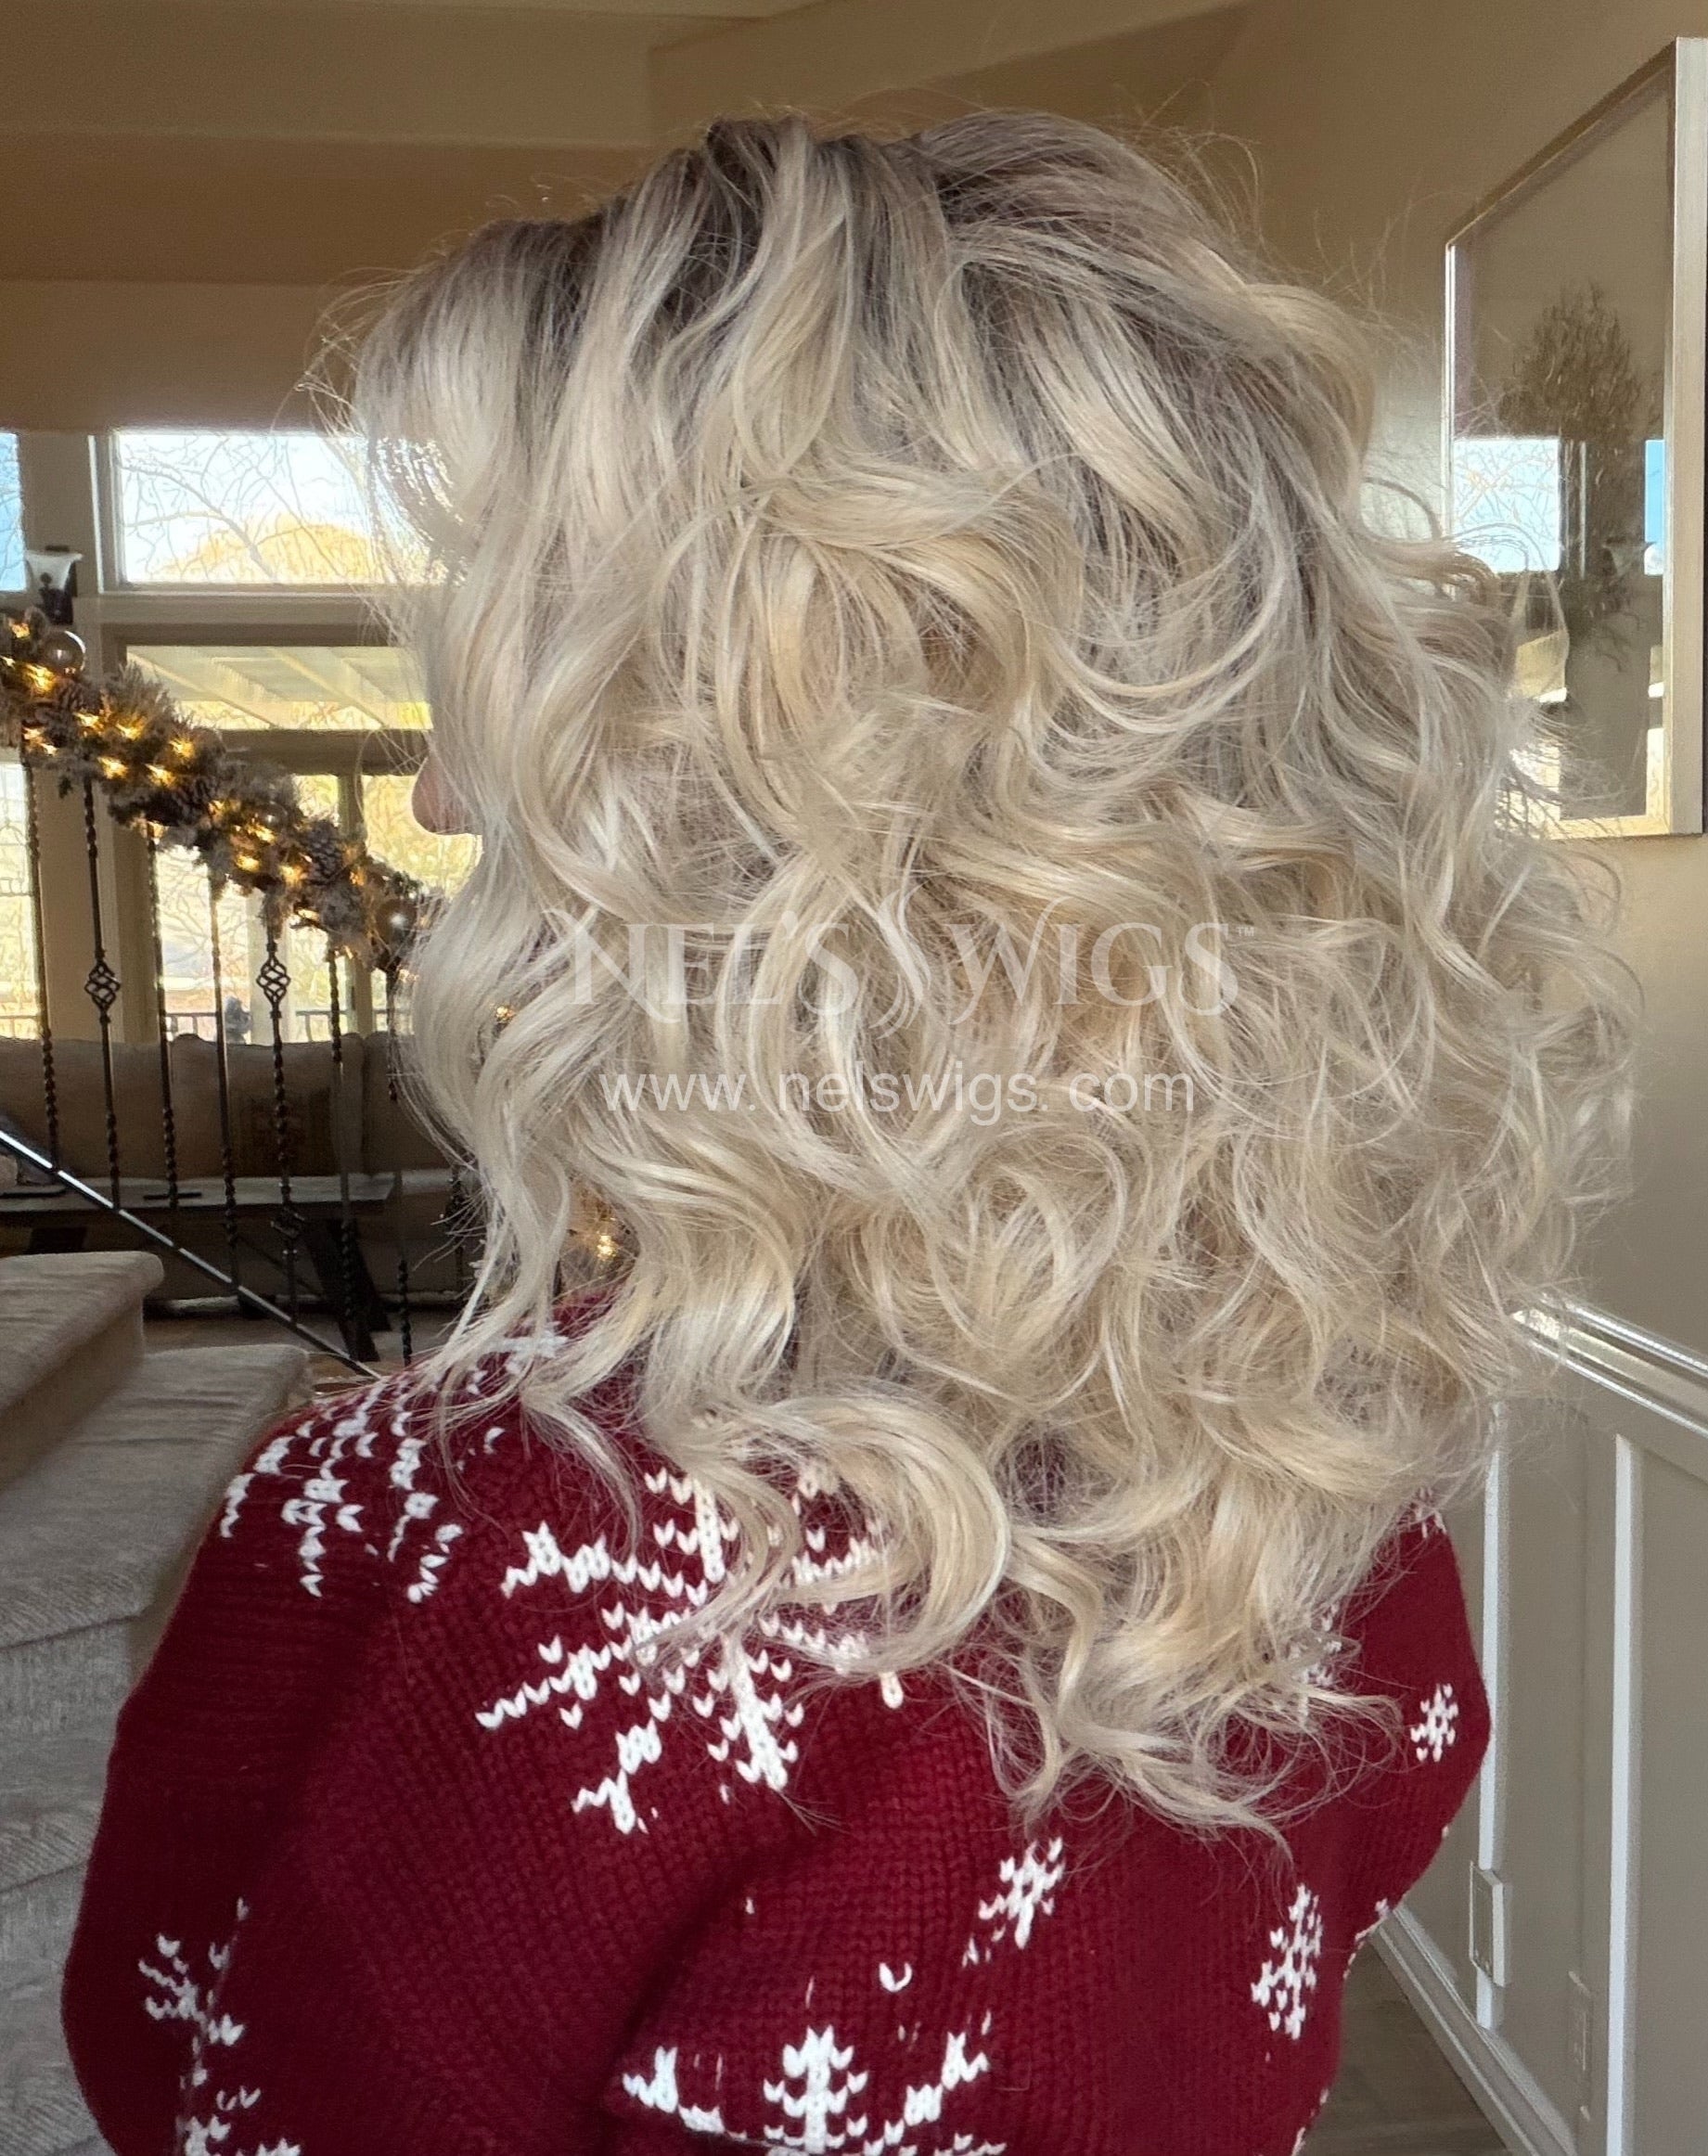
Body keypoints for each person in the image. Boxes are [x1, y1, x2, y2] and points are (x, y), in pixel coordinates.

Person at [61, 110, 1631, 2154]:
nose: (443, 796)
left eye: (528, 669)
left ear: (781, 785)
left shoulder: (506, 1550)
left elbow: (204, 2074)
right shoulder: (1307, 1441)